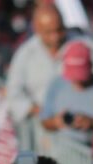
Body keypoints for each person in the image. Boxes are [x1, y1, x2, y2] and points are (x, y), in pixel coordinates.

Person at [5, 4, 69, 147]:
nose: (55, 37)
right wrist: (41, 112)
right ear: (36, 29)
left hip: (78, 134)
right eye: (48, 32)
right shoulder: (25, 54)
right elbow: (13, 93)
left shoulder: (81, 45)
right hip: (43, 137)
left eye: (59, 30)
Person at [40, 41, 93, 147]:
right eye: (73, 74)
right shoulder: (56, 84)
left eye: (81, 75)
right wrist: (56, 122)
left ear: (91, 65)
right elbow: (45, 121)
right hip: (63, 152)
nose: (77, 81)